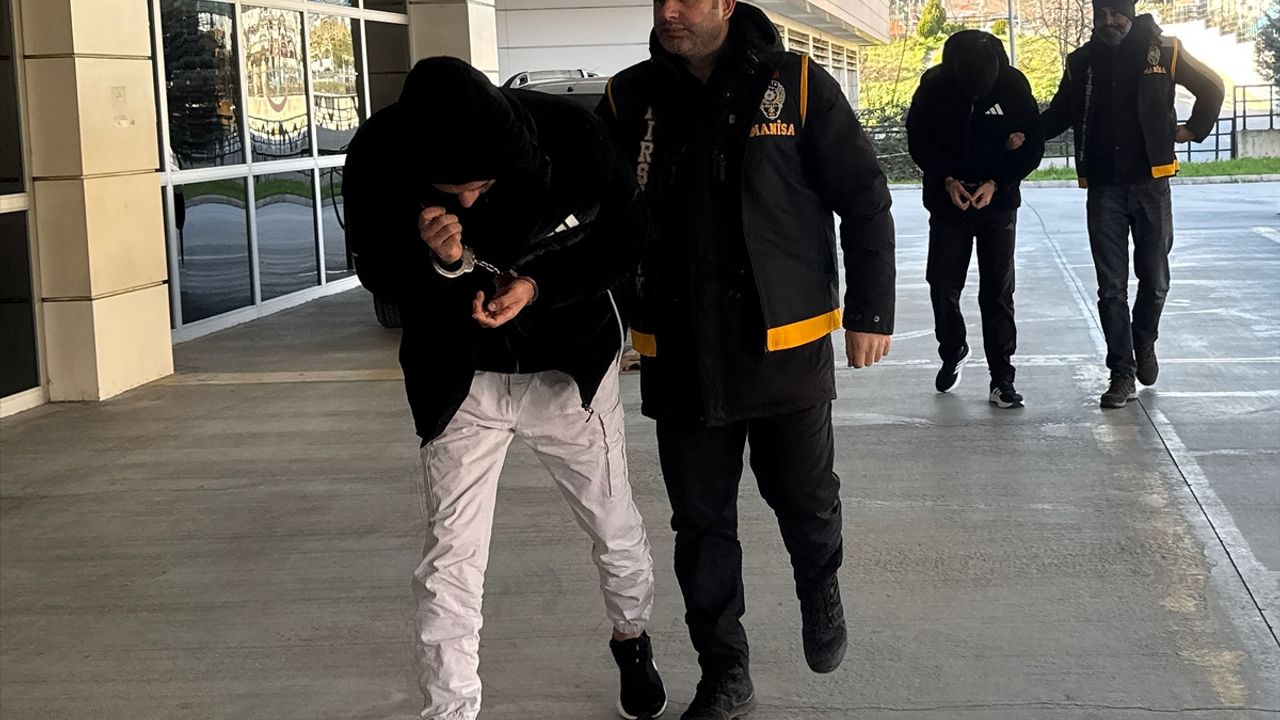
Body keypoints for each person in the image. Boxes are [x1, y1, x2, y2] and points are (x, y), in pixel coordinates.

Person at [343, 57, 667, 720]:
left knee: (613, 526)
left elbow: (627, 238)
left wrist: (537, 286)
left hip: (568, 373)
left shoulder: (569, 136)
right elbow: (378, 272)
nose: (467, 202)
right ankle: (450, 711)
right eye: (451, 188)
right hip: (460, 378)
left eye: (481, 185)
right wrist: (440, 264)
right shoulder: (378, 154)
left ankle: (632, 640)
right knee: (450, 561)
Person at [598, 2, 896, 717]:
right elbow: (593, 208)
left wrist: (869, 312)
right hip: (680, 350)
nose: (670, 11)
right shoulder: (630, 98)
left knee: (806, 499)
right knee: (700, 527)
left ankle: (820, 589)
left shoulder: (794, 85)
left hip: (782, 343)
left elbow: (863, 197)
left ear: (727, 5)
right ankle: (725, 673)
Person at [1042, 0, 1224, 408]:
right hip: (1103, 188)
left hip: (1151, 184)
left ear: (1131, 13)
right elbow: (1058, 114)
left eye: (1117, 13)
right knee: (1111, 288)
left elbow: (1212, 87)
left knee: (1155, 281)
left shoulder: (1165, 50)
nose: (1109, 20)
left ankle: (1144, 340)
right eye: (1102, 13)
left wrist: (1193, 129)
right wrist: (1024, 133)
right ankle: (1121, 372)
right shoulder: (1081, 62)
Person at [907, 30, 1045, 409]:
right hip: (947, 201)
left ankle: (1002, 378)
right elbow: (918, 140)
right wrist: (947, 180)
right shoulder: (933, 88)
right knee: (942, 284)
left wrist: (996, 183)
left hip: (997, 204)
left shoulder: (1013, 86)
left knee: (997, 292)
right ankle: (953, 347)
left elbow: (1033, 145)